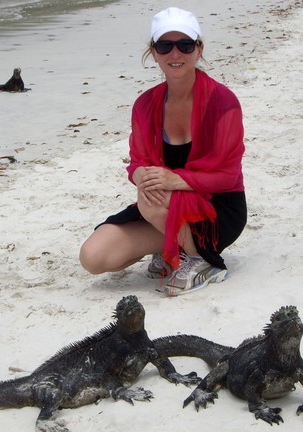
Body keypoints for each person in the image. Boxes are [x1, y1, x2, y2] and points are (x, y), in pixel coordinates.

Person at [79, 7, 247, 296]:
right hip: (163, 205)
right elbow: (137, 163)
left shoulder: (222, 102)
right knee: (93, 257)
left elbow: (227, 176)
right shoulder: (145, 105)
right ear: (154, 52)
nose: (175, 53)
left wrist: (175, 180)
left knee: (151, 199)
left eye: (185, 45)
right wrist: (140, 175)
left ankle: (201, 260)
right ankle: (174, 245)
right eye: (165, 45)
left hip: (218, 212)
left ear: (199, 49)